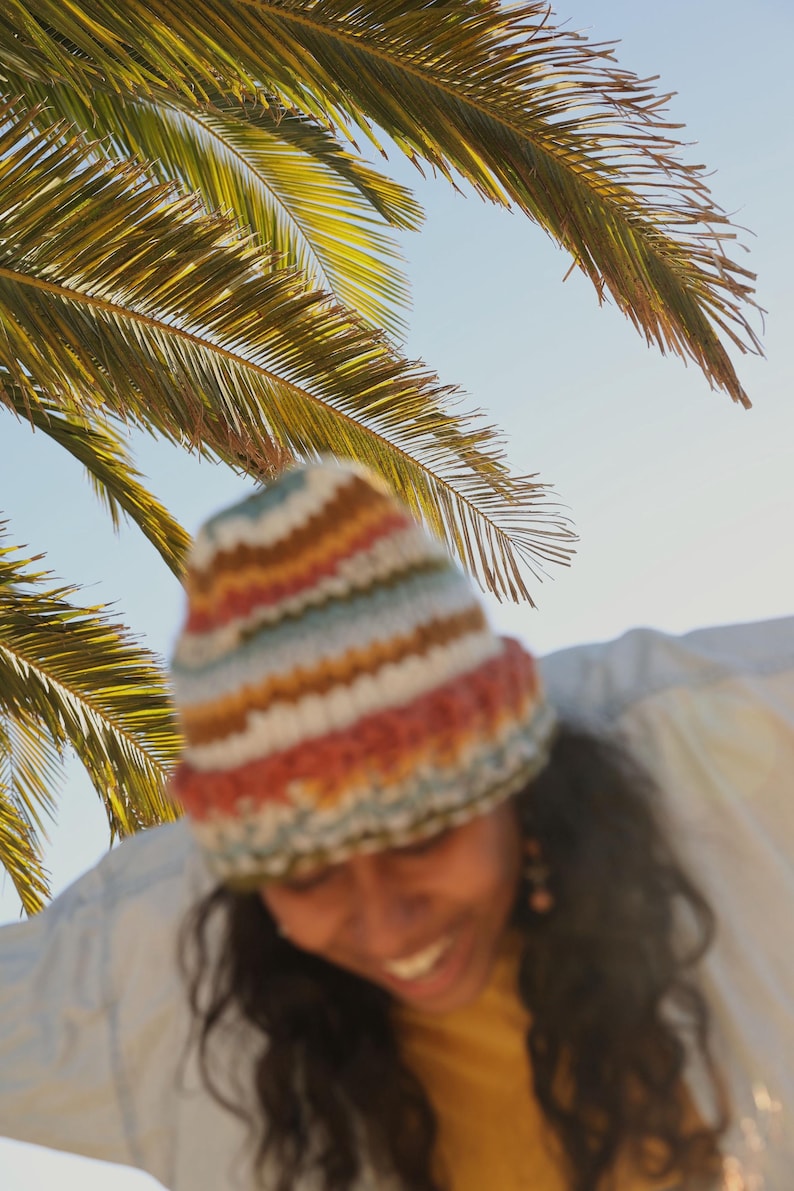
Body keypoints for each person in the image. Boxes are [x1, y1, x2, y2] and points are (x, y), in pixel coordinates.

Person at [0, 460, 791, 1191]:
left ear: (516, 786)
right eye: (307, 872)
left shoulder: (710, 753)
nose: (382, 923)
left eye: (422, 837)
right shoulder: (143, 982)